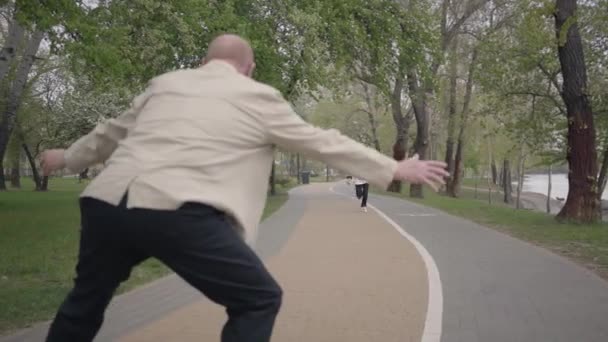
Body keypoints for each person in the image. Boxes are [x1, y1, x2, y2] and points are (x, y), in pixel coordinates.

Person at [40, 34, 449, 342]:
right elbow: (321, 141)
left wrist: (66, 159)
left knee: (86, 300)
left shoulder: (166, 83)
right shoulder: (256, 95)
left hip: (106, 204)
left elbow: (110, 132)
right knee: (257, 299)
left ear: (203, 63)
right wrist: (394, 166)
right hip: (177, 209)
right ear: (249, 68)